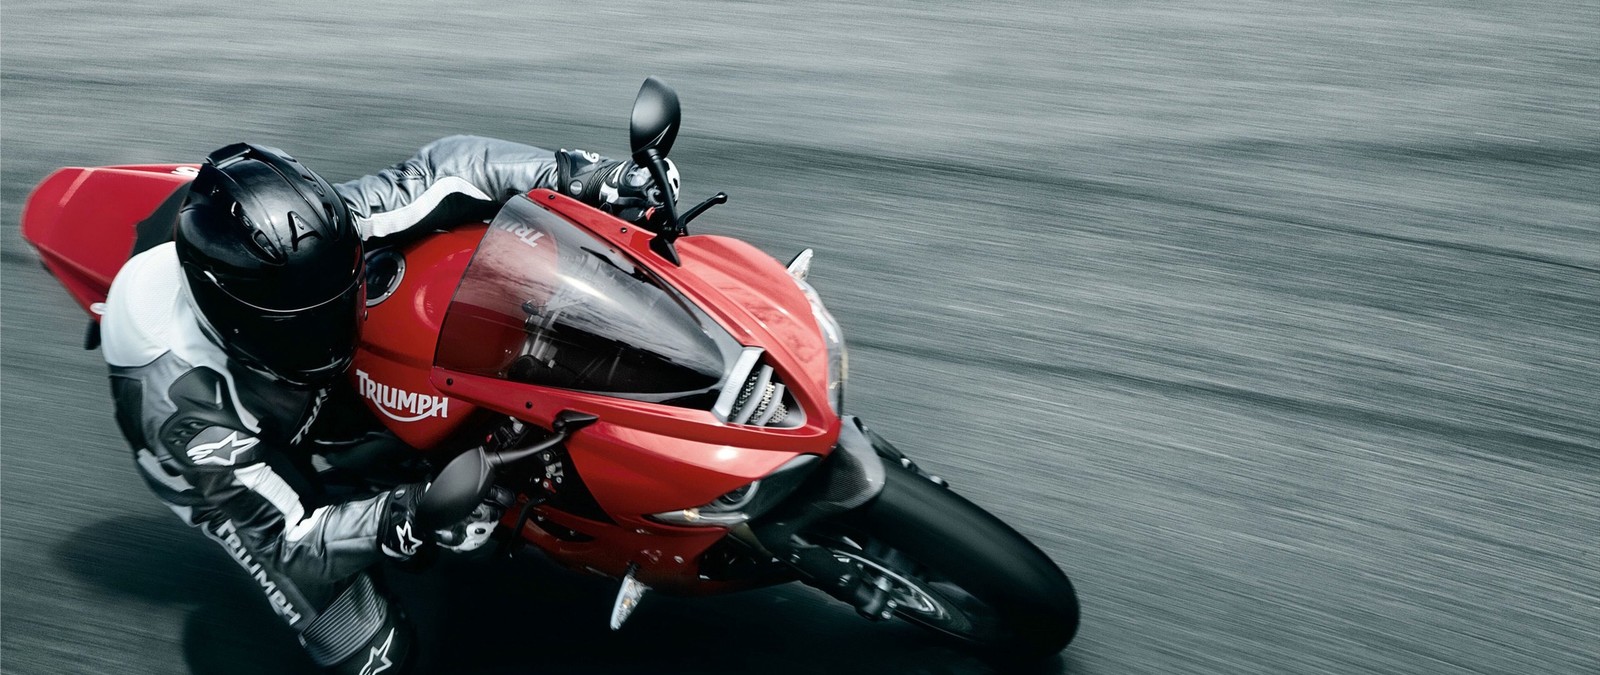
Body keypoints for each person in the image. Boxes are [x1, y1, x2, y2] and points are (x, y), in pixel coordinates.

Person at [99, 136, 677, 674]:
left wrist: (583, 174)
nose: (329, 326)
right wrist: (401, 515)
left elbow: (444, 170)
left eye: (336, 293)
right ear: (234, 320)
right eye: (304, 323)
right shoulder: (182, 406)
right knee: (376, 656)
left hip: (290, 377)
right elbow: (289, 542)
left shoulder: (316, 241)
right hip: (236, 470)